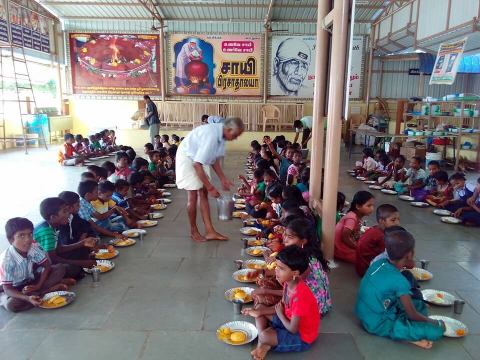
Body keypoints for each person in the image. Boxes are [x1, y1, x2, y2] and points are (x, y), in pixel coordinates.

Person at [355, 230, 445, 349]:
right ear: (409, 255)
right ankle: (408, 335)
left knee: (419, 304)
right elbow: (412, 315)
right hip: (377, 323)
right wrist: (437, 323)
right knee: (435, 331)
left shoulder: (380, 262)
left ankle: (409, 330)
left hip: (365, 311)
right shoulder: (401, 282)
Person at [242, 246, 320, 359]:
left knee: (264, 334)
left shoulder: (300, 297)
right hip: (287, 319)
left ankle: (264, 341)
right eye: (277, 267)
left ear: (295, 273)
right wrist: (259, 312)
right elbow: (280, 306)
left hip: (301, 336)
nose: (276, 270)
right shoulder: (289, 283)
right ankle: (267, 339)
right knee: (259, 307)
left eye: (281, 269)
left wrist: (280, 314)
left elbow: (293, 329)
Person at [176, 117, 244, 242]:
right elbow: (197, 164)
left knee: (203, 193)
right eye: (235, 135)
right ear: (229, 129)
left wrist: (223, 179)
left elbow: (213, 159)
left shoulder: (221, 135)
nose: (235, 138)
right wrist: (211, 187)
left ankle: (210, 231)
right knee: (193, 194)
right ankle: (194, 230)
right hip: (187, 156)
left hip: (198, 157)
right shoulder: (211, 136)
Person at [0, 217, 67, 313]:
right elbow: (8, 288)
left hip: (30, 282)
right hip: (13, 290)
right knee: (12, 305)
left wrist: (38, 286)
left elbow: (47, 266)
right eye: (22, 236)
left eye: (30, 234)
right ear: (10, 239)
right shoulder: (6, 261)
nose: (28, 240)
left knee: (59, 268)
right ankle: (47, 291)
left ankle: (39, 293)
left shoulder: (32, 247)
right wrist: (27, 298)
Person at [33, 198, 97, 279]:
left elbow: (59, 249)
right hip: (40, 267)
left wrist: (83, 243)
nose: (68, 213)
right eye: (64, 211)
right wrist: (81, 263)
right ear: (53, 217)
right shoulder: (46, 231)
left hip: (50, 258)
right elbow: (53, 260)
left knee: (82, 249)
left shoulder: (54, 225)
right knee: (71, 269)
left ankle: (82, 265)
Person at [355, 204, 400, 276]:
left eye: (398, 219)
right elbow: (385, 257)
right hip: (368, 271)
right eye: (393, 220)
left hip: (360, 267)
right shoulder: (382, 236)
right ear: (382, 221)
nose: (397, 223)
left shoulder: (375, 228)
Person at [334, 191, 375, 263]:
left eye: (372, 205)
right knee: (370, 257)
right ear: (358, 206)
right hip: (341, 250)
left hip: (343, 247)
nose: (372, 209)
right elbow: (345, 238)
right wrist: (358, 248)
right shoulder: (352, 219)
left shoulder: (354, 215)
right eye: (368, 206)